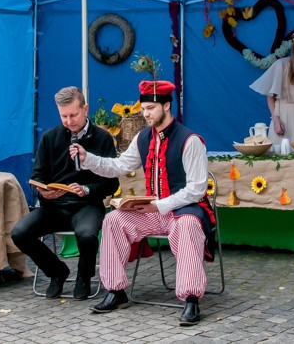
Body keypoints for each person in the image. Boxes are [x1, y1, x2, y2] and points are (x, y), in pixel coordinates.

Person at [71, 79, 213, 326]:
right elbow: (119, 166)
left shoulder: (190, 140)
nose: (145, 114)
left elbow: (197, 189)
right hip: (154, 211)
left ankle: (191, 299)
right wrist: (88, 158)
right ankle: (116, 290)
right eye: (144, 108)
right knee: (114, 219)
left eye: (151, 108)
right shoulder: (143, 138)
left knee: (188, 225)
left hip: (185, 211)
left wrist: (160, 205)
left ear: (166, 106)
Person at [11, 87, 118, 300]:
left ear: (85, 109)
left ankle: (84, 277)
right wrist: (42, 191)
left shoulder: (103, 138)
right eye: (63, 116)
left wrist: (88, 189)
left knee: (87, 234)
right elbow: (37, 175)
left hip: (87, 205)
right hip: (53, 206)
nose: (69, 121)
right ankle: (57, 272)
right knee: (19, 233)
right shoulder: (50, 137)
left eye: (73, 115)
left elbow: (112, 183)